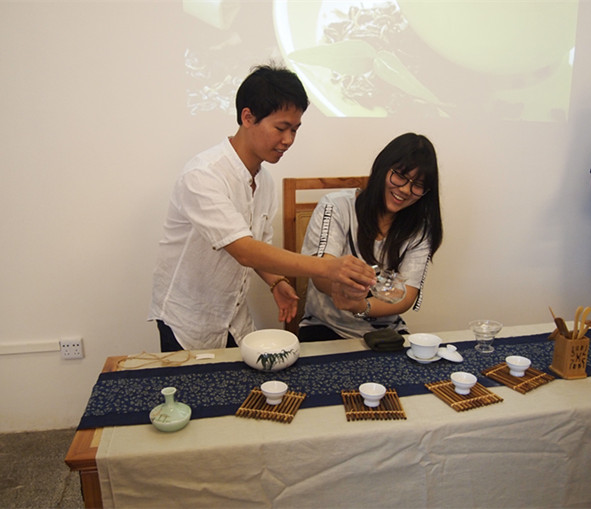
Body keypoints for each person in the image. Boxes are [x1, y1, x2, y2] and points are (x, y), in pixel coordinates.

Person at [149, 64, 375, 351]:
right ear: (248, 117)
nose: (288, 140)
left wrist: (276, 282)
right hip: (189, 319)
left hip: (234, 317)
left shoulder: (264, 180)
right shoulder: (203, 175)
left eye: (295, 130)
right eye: (281, 128)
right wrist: (328, 267)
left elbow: (259, 245)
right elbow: (244, 250)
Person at [298, 133, 443, 341]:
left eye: (417, 185)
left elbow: (407, 295)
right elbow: (321, 273)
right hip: (325, 326)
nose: (405, 190)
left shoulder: (420, 229)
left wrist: (361, 306)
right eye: (400, 176)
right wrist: (346, 291)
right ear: (382, 168)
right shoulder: (336, 206)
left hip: (386, 332)